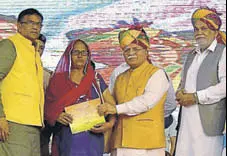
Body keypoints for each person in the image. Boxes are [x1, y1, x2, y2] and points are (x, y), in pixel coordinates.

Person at [98, 26, 170, 156]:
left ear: (146, 51)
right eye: (126, 50)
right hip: (119, 141)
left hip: (147, 143)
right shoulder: (120, 77)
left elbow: (146, 102)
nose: (131, 53)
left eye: (136, 49)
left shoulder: (157, 74)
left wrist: (116, 109)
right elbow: (107, 100)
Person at [44, 39, 116, 156]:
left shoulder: (95, 78)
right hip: (67, 139)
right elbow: (47, 107)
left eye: (84, 52)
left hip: (93, 139)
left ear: (88, 56)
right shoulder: (58, 79)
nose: (80, 56)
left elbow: (112, 105)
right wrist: (56, 115)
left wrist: (110, 124)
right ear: (68, 55)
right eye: (76, 52)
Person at [175, 7, 226, 156]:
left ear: (215, 31)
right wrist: (179, 92)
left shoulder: (223, 52)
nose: (199, 33)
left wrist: (196, 97)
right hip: (186, 124)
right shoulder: (191, 55)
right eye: (196, 29)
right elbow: (182, 82)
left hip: (208, 125)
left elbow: (224, 86)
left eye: (204, 28)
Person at [0, 8, 44, 156]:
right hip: (12, 123)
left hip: (34, 124)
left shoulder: (34, 51)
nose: (35, 27)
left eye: (39, 24)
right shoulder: (10, 45)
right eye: (30, 22)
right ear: (19, 26)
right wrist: (0, 117)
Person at [34, 34, 53, 156]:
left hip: (41, 128)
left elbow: (52, 102)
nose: (37, 50)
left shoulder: (47, 76)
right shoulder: (12, 71)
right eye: (34, 46)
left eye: (41, 48)